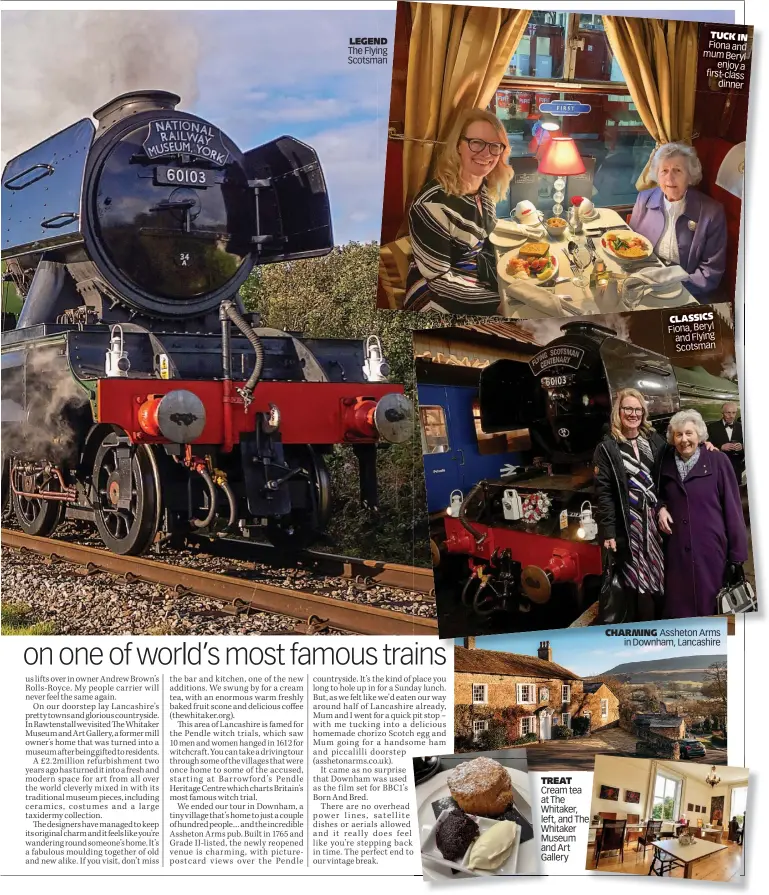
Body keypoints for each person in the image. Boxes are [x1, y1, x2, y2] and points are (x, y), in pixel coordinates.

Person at [404, 108, 513, 315]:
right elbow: (438, 281)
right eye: (477, 143)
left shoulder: (483, 189)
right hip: (435, 296)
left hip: (474, 273)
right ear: (458, 146)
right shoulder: (431, 205)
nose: (486, 153)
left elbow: (483, 237)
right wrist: (499, 303)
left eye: (494, 146)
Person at [657, 409, 748, 618]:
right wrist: (660, 507)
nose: (684, 439)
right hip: (677, 552)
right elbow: (657, 495)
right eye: (678, 434)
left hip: (711, 552)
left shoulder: (718, 461)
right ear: (672, 438)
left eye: (689, 433)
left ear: (699, 435)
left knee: (712, 609)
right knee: (679, 611)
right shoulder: (666, 462)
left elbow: (733, 509)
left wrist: (737, 557)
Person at [593, 389, 666, 620]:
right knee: (636, 577)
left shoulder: (653, 439)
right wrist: (609, 531)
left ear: (643, 412)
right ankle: (642, 625)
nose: (633, 414)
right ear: (619, 412)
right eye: (628, 409)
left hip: (653, 519)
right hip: (630, 522)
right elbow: (603, 492)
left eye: (637, 409)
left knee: (658, 570)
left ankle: (660, 621)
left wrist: (705, 447)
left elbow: (671, 464)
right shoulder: (607, 447)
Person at [629, 142, 727, 300]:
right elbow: (631, 244)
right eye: (664, 171)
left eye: (677, 170)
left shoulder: (712, 213)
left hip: (687, 289)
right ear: (657, 174)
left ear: (690, 176)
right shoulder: (644, 198)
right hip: (645, 280)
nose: (669, 178)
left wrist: (673, 289)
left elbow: (710, 273)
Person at [707, 401, 745, 483]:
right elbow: (706, 448)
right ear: (722, 413)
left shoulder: (742, 427)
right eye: (728, 413)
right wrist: (721, 447)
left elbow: (751, 448)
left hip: (736, 468)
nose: (731, 416)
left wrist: (742, 446)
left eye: (734, 413)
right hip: (718, 467)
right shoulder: (712, 427)